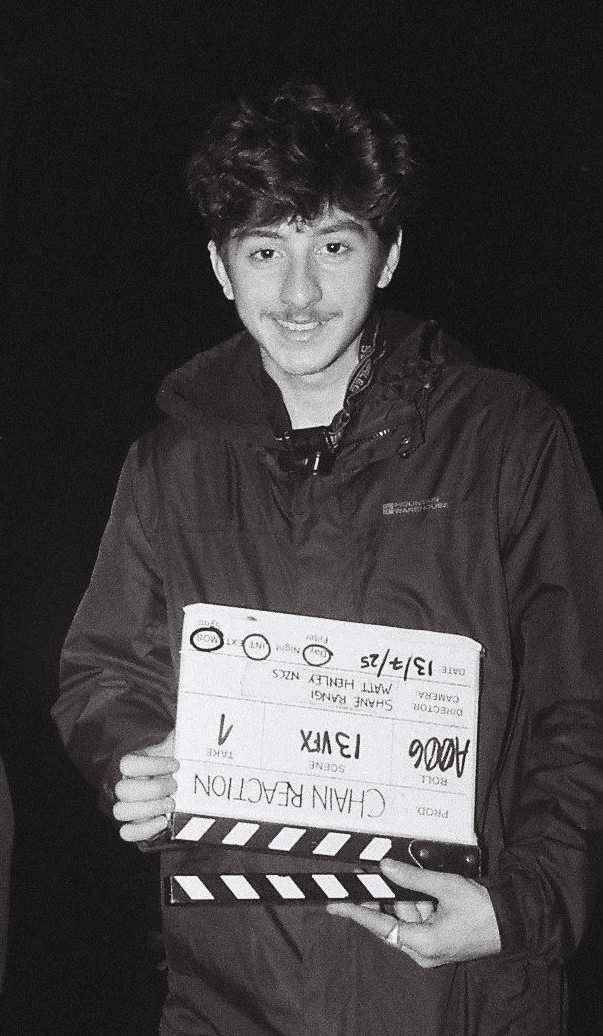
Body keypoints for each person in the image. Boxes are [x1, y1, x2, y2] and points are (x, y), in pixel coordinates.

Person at [51, 83, 603, 1036]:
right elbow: (103, 671)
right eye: (266, 251)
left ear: (388, 254)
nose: (299, 294)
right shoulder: (168, 463)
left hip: (457, 993)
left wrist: (524, 907)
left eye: (334, 247)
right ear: (221, 267)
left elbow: (579, 697)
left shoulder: (508, 436)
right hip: (228, 994)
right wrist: (131, 757)